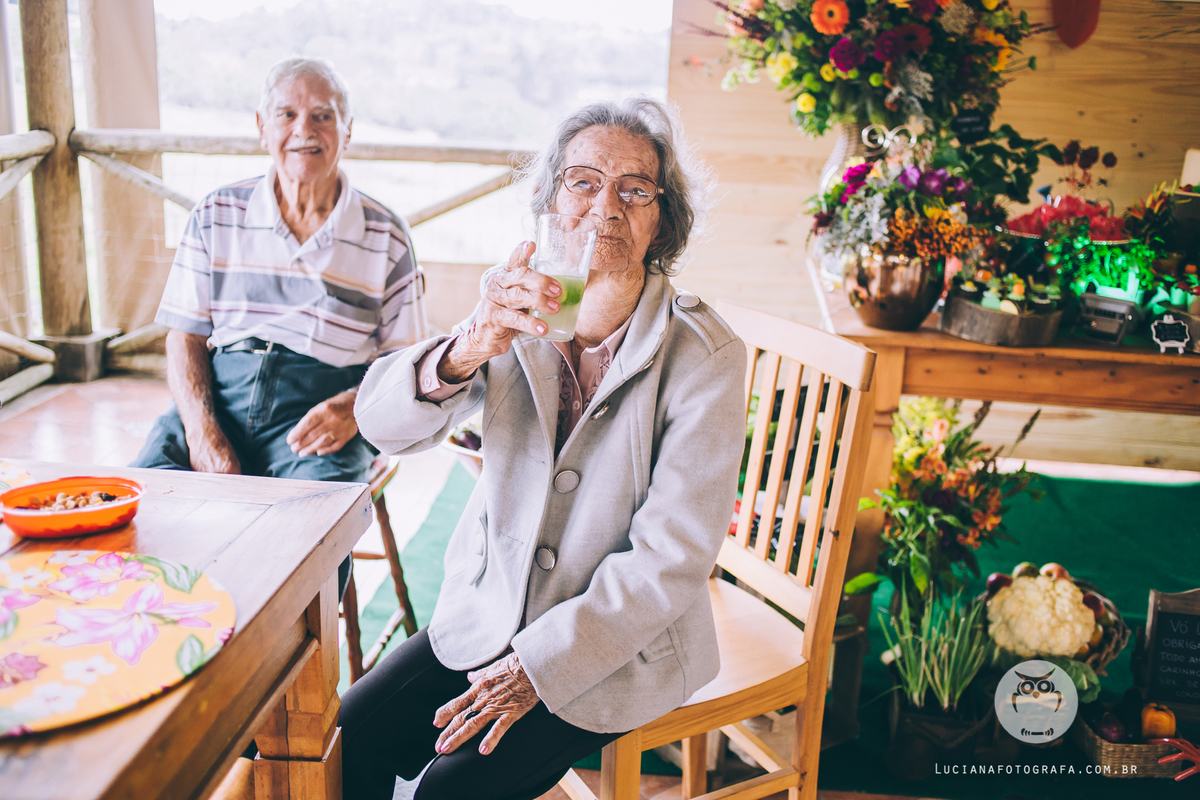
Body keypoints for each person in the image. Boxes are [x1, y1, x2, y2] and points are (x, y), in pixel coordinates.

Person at [342, 97, 746, 800]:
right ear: (553, 203)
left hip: (615, 644)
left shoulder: (703, 354)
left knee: (449, 792)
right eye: (583, 182)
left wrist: (536, 667)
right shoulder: (523, 310)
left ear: (662, 219)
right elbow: (382, 426)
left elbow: (672, 557)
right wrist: (469, 345)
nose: (606, 207)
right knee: (345, 743)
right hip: (490, 610)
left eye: (635, 190)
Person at [132, 57, 426, 526]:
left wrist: (354, 408)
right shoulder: (216, 213)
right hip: (221, 396)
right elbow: (183, 338)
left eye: (323, 116)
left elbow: (406, 358)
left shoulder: (386, 235)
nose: (303, 130)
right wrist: (203, 431)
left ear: (347, 131)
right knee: (146, 507)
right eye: (287, 115)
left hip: (320, 413)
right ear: (262, 128)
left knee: (310, 532)